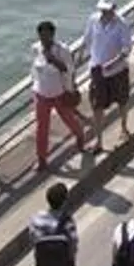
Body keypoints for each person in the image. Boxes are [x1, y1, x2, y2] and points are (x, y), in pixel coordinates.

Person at [30, 20, 88, 171]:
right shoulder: (36, 48)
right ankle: (42, 159)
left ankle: (80, 136)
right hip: (41, 94)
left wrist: (54, 60)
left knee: (69, 119)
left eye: (47, 36)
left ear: (53, 35)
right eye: (41, 36)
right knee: (42, 128)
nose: (44, 39)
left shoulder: (62, 49)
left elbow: (69, 69)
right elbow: (35, 69)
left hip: (59, 93)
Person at [81, 0, 133, 153]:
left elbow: (127, 49)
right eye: (102, 10)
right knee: (97, 105)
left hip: (117, 71)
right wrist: (79, 57)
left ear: (114, 9)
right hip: (98, 69)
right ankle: (99, 141)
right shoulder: (93, 20)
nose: (104, 13)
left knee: (122, 100)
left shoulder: (122, 24)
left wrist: (113, 62)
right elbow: (87, 39)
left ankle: (124, 127)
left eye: (108, 10)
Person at [28, 182, 79, 266]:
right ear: (64, 201)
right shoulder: (68, 222)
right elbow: (73, 248)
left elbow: (33, 242)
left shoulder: (36, 220)